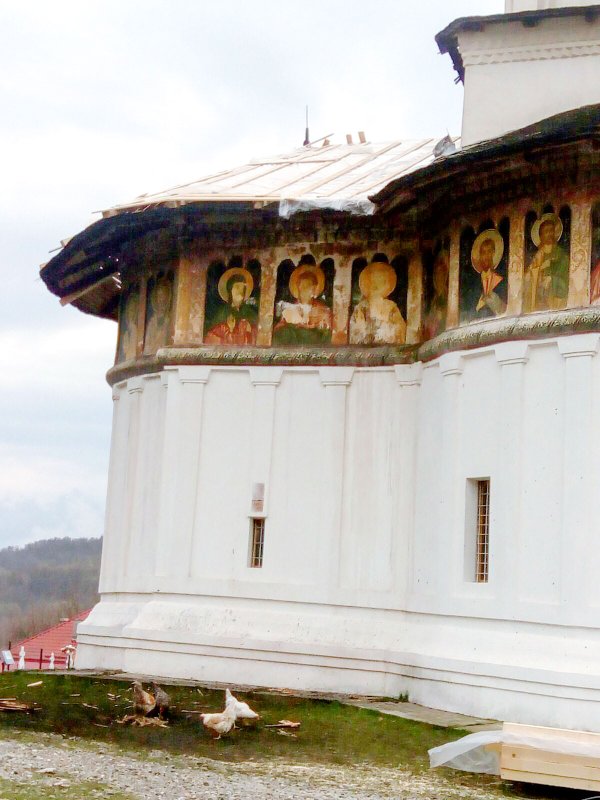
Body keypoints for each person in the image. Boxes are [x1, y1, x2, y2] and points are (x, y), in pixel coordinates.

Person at [349, 257, 406, 345]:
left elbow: (399, 329)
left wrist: (385, 330)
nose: (376, 286)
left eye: (381, 282)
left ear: (386, 284)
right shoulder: (361, 307)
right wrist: (364, 331)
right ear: (368, 282)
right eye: (373, 281)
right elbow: (355, 329)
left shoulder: (391, 307)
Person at [273, 262, 331, 345]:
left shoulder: (323, 311)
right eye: (301, 286)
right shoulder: (289, 310)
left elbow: (327, 334)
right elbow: (279, 331)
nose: (303, 290)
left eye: (307, 286)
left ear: (314, 289)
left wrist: (313, 327)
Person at [523, 213, 569, 312]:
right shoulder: (538, 255)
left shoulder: (561, 254)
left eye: (551, 231)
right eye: (546, 231)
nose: (549, 234)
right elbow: (528, 276)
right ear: (541, 235)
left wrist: (552, 279)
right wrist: (534, 273)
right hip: (539, 298)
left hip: (556, 296)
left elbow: (565, 277)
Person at [204, 268, 258, 345]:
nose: (240, 291)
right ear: (230, 290)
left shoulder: (250, 312)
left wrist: (250, 330)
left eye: (243, 288)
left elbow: (259, 335)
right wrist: (228, 329)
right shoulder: (222, 313)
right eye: (237, 287)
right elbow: (211, 338)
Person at [472, 233, 505, 317]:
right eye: (483, 252)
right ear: (480, 255)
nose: (486, 256)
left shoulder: (500, 280)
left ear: (493, 253)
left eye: (489, 251)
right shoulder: (474, 284)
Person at [422, 250, 449, 339]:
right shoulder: (434, 298)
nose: (439, 277)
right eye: (436, 274)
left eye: (442, 274)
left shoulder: (448, 296)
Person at [143, 275, 172, 354]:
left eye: (163, 295)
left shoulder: (169, 319)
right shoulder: (152, 322)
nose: (161, 299)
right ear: (156, 298)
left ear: (167, 297)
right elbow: (147, 345)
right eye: (159, 296)